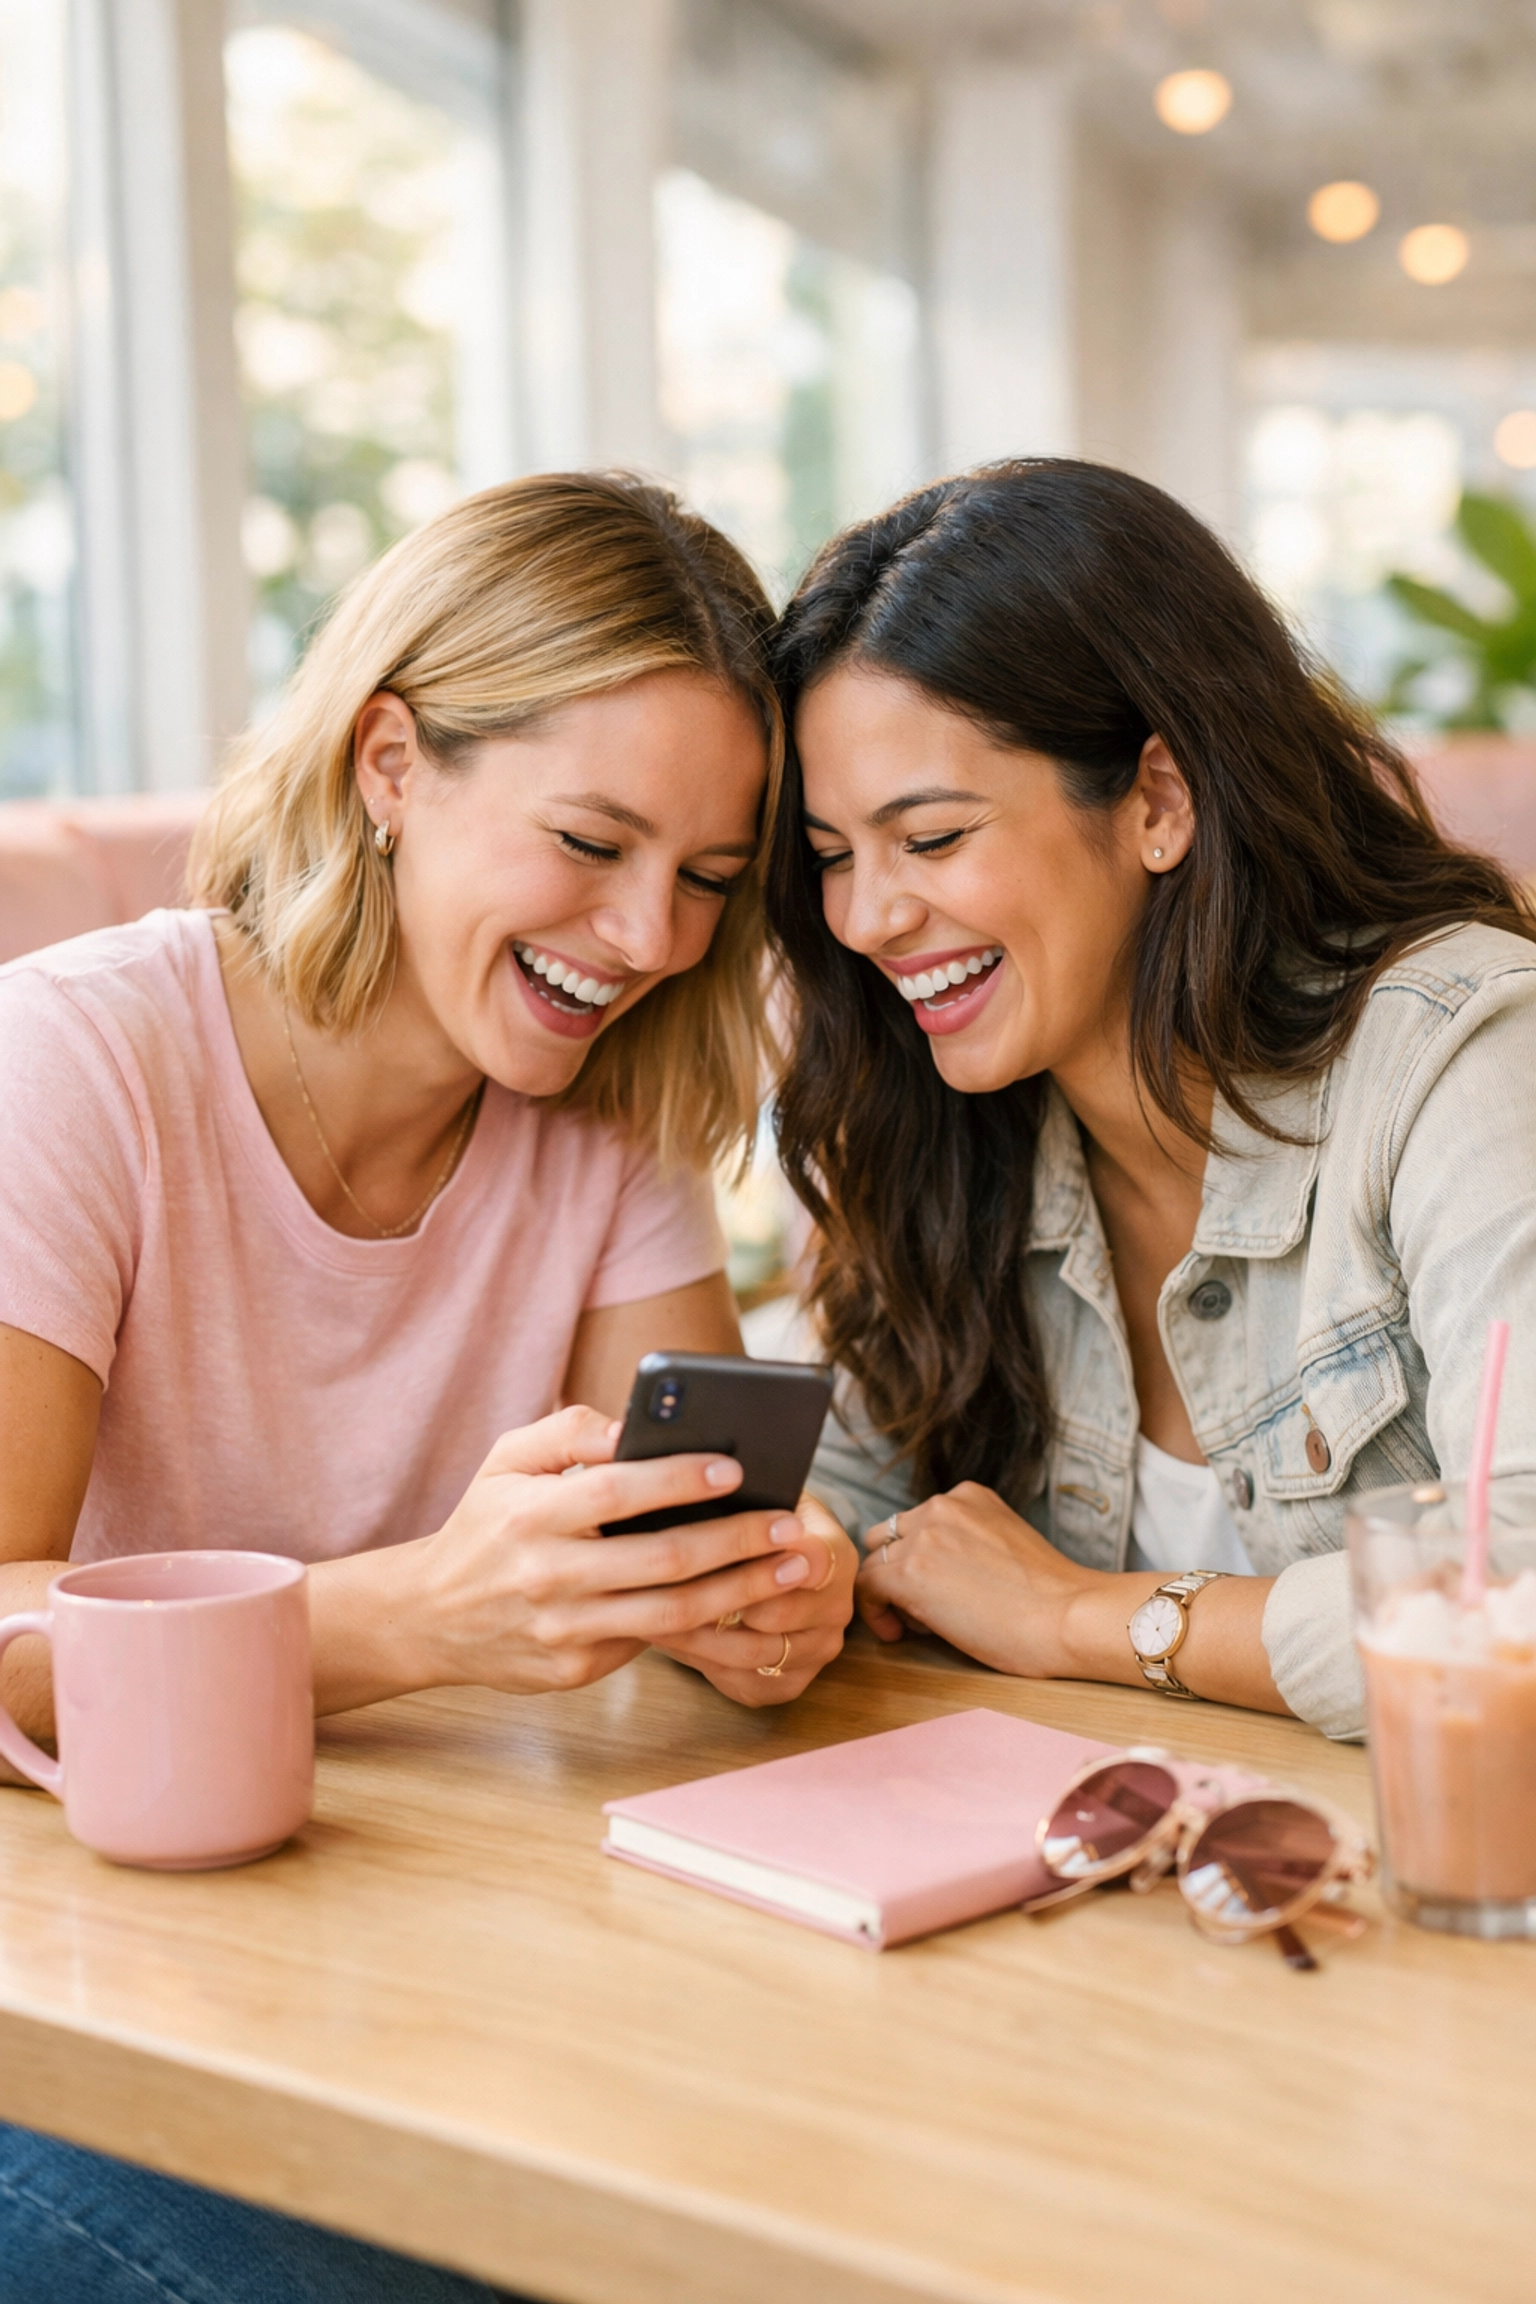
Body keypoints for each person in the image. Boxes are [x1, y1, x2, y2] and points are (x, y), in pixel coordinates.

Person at [0, 473, 853, 2301]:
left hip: (383, 1957)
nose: (646, 941)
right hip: (69, 2010)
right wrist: (416, 1616)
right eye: (591, 840)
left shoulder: (602, 1117)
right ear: (392, 760)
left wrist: (755, 1597)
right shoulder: (74, 1063)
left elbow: (676, 1537)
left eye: (708, 879)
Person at [768, 457, 1536, 1741]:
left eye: (935, 838)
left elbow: (1515, 1596)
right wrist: (793, 1561)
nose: (867, 917)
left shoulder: (1463, 1057)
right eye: (833, 857)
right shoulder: (962, 1127)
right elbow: (851, 1481)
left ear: (1159, 803)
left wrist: (1080, 1616)